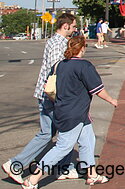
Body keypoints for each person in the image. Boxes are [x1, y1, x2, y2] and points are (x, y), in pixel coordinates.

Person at [21, 36, 118, 188]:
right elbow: (97, 89)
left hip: (66, 110)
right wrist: (112, 100)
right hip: (75, 113)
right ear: (82, 48)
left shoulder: (59, 65)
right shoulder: (84, 66)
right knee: (63, 147)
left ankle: (91, 175)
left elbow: (49, 87)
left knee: (88, 140)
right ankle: (33, 179)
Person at [3, 13, 78, 185]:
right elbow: (56, 70)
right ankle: (16, 164)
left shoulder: (55, 41)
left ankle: (61, 167)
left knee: (53, 133)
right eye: (73, 27)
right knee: (59, 133)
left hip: (47, 94)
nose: (74, 30)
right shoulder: (58, 44)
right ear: (65, 26)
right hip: (51, 96)